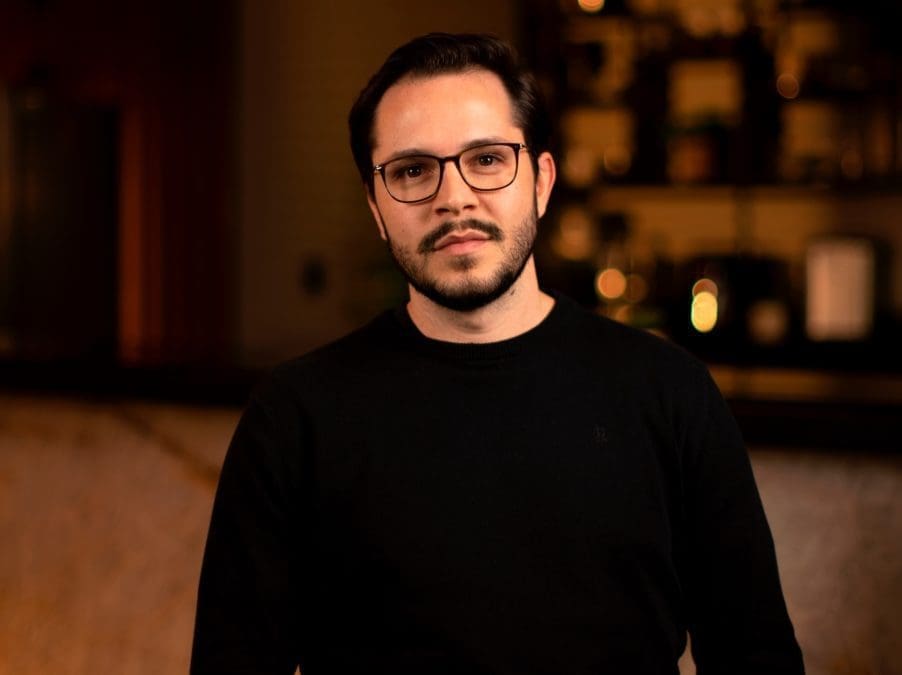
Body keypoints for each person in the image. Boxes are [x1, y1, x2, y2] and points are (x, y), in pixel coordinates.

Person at [191, 33, 804, 674]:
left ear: (541, 181)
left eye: (486, 159)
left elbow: (756, 657)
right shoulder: (294, 417)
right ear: (376, 208)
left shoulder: (670, 393)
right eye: (411, 170)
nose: (453, 197)